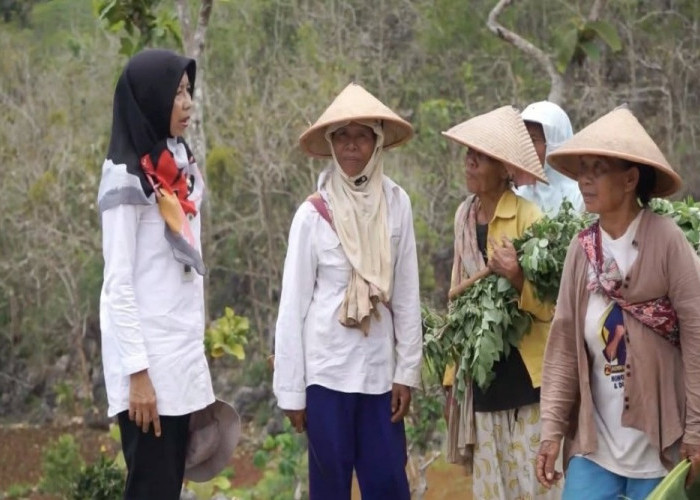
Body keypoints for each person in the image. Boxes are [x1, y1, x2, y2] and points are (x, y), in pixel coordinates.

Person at [536, 106, 700, 500]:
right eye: (582, 169)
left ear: (629, 179)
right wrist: (551, 430)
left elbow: (696, 336)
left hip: (660, 444)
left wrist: (696, 429)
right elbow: (562, 348)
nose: (585, 180)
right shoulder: (582, 251)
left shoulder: (666, 241)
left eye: (598, 169)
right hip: (598, 446)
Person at [273, 82, 422, 500]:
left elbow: (407, 293)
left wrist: (406, 371)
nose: (351, 146)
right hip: (326, 372)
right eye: (342, 136)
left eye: (361, 136)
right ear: (331, 144)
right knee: (330, 486)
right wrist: (291, 389)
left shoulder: (397, 204)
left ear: (377, 142)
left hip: (379, 371)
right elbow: (293, 305)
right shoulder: (312, 214)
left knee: (389, 483)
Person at [98, 49, 232, 499]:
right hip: (147, 371)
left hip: (177, 364)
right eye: (176, 94)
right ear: (150, 99)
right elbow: (118, 285)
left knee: (166, 488)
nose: (188, 103)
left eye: (188, 91)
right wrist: (137, 374)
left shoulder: (178, 170)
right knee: (150, 489)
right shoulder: (125, 178)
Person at [441, 105, 560, 499]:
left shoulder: (529, 217)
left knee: (536, 486)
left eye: (483, 156)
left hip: (528, 380)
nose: (470, 162)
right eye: (469, 154)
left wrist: (517, 276)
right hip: (483, 378)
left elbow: (553, 306)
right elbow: (459, 303)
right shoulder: (463, 217)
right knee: (494, 491)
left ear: (506, 168)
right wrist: (450, 377)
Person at [514, 100, 585, 216]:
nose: (526, 147)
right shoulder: (518, 194)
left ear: (554, 142)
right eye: (523, 139)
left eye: (533, 140)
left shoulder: (582, 197)